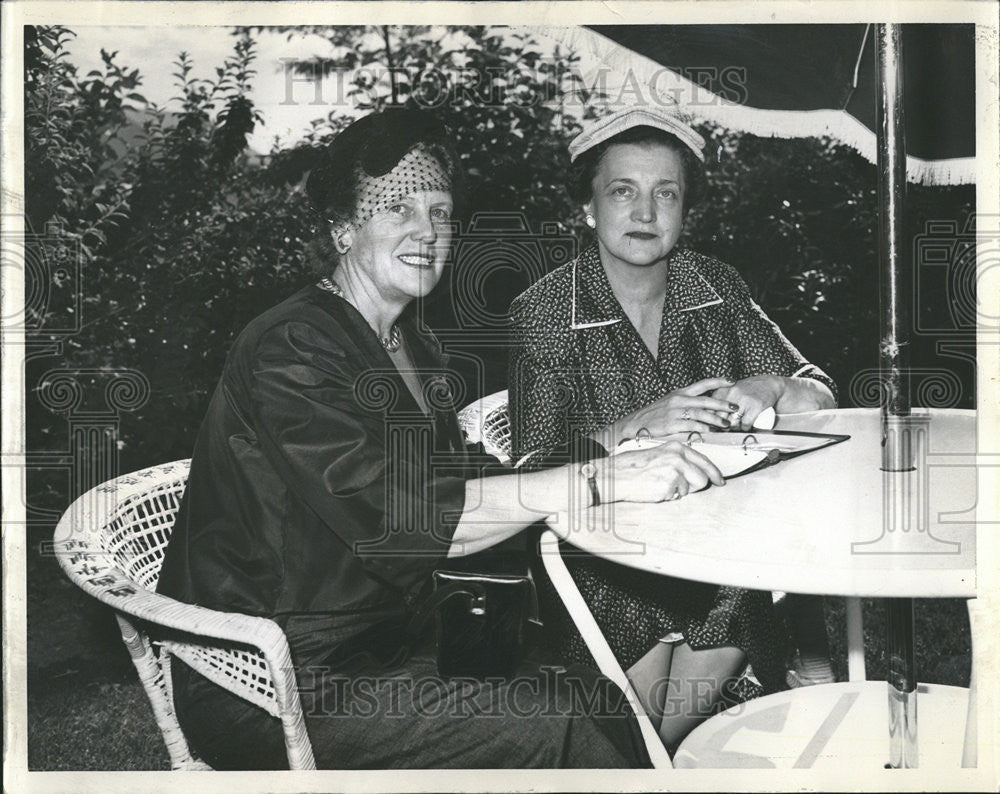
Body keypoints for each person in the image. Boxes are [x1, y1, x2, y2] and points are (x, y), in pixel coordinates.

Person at [156, 108, 728, 770]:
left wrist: (619, 438)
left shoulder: (410, 346)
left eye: (441, 212)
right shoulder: (292, 347)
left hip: (390, 643)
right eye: (398, 209)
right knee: (557, 727)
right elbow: (402, 519)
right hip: (273, 676)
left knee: (601, 702)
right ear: (343, 229)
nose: (428, 231)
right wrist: (598, 481)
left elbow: (467, 477)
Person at [508, 107, 838, 750]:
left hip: (719, 562)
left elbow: (818, 393)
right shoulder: (544, 311)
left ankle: (647, 762)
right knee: (645, 735)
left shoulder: (715, 285)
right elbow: (530, 471)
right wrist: (634, 424)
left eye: (666, 193)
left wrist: (772, 385)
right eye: (622, 191)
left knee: (652, 740)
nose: (645, 212)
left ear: (685, 211)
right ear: (588, 209)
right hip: (603, 561)